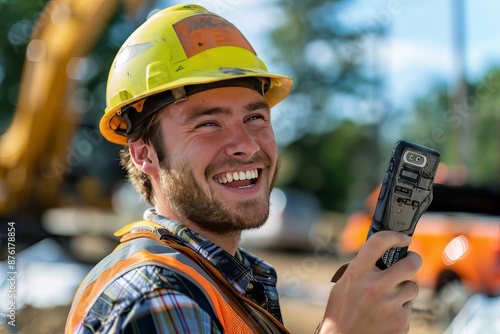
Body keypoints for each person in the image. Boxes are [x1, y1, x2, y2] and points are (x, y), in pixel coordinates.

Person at [66, 4, 421, 333]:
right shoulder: (158, 297)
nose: (247, 145)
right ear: (145, 154)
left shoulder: (223, 279)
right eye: (208, 123)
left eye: (254, 117)